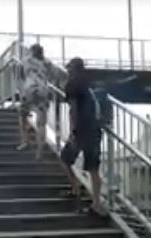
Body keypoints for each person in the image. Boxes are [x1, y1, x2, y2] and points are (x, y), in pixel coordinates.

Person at [60, 57, 104, 216]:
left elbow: (73, 109)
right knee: (93, 168)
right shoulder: (89, 84)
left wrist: (72, 131)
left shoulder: (72, 85)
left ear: (71, 69)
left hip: (82, 130)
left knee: (65, 158)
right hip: (95, 129)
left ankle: (75, 188)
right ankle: (97, 203)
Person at [17, 44, 67, 160]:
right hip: (43, 91)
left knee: (22, 115)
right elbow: (59, 75)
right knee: (41, 123)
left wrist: (22, 89)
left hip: (28, 90)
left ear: (31, 51)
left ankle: (25, 141)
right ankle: (39, 152)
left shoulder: (25, 61)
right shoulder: (47, 63)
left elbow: (20, 77)